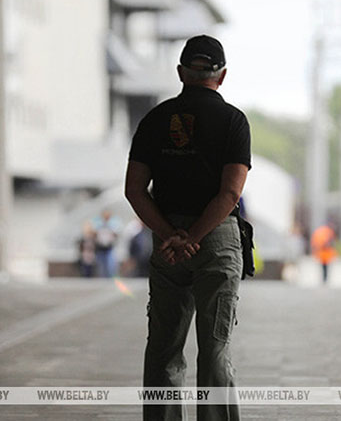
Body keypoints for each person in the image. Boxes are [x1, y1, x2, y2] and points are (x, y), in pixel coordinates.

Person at [125, 34, 250, 421]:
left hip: (168, 244)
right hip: (214, 239)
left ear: (181, 72)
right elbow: (230, 194)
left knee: (163, 348)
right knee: (214, 350)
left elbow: (134, 190)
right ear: (222, 76)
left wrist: (171, 236)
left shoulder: (156, 119)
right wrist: (194, 238)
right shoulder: (233, 121)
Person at [93, 209, 120, 278]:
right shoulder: (98, 224)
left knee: (110, 265)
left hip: (109, 247)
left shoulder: (113, 224)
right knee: (101, 266)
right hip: (100, 248)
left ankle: (111, 278)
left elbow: (116, 234)